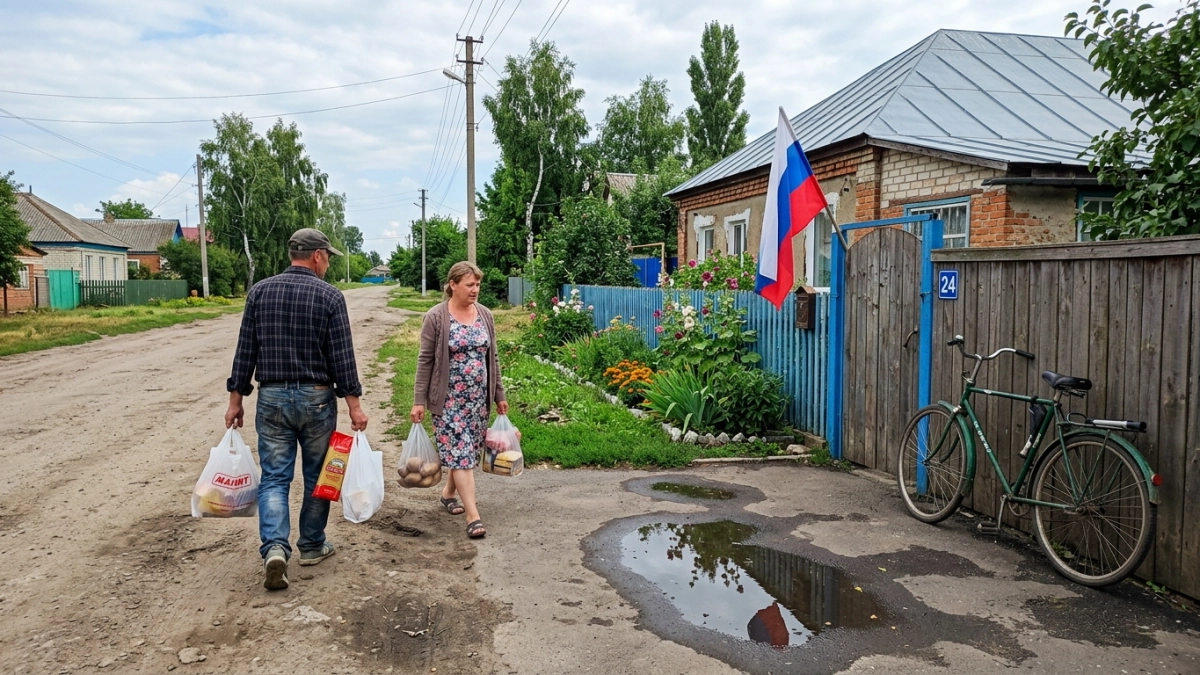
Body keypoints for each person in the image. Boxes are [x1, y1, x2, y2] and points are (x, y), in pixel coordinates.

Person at [224, 227, 369, 591]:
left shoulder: (259, 292)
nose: (328, 265)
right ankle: (312, 544)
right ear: (317, 255)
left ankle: (275, 548)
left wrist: (236, 399)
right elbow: (342, 358)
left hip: (272, 397)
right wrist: (354, 404)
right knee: (321, 476)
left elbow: (246, 350)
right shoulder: (330, 297)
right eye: (328, 258)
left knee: (275, 477)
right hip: (317, 398)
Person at [411, 261, 506, 539]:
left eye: (477, 284)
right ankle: (473, 515)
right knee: (462, 454)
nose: (475, 290)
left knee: (465, 453)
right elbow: (425, 360)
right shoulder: (436, 317)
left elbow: (494, 358)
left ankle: (448, 493)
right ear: (453, 285)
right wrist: (419, 400)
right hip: (448, 400)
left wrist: (499, 394)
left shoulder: (485, 315)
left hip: (478, 400)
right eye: (469, 284)